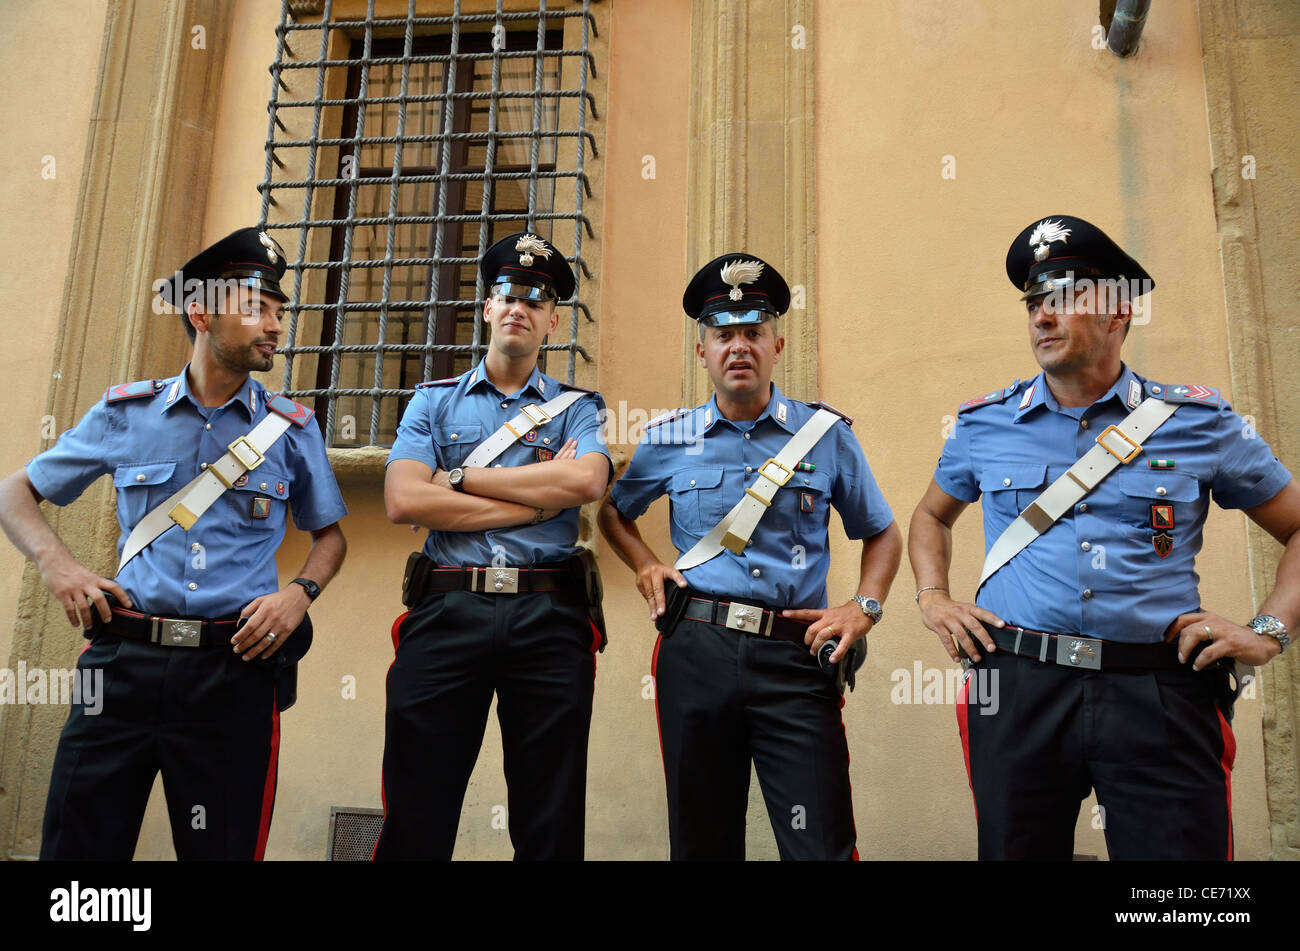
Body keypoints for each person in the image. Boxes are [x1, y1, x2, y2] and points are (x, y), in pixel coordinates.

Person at [908, 214, 1300, 860]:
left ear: (1119, 312)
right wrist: (932, 597)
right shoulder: (983, 423)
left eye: (1063, 296)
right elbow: (929, 516)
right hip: (1018, 685)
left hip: (1158, 687)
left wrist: (1268, 632)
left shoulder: (1197, 422)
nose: (1041, 316)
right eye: (1034, 301)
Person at [0, 226, 349, 860]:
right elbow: (13, 494)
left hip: (232, 672)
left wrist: (298, 595)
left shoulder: (291, 430)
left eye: (278, 311)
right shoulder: (124, 414)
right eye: (255, 309)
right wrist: (60, 568)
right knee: (78, 865)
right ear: (201, 312)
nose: (274, 326)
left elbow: (328, 537)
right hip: (121, 666)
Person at [597, 253, 901, 860]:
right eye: (723, 334)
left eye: (753, 332)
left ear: (776, 344)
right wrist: (645, 564)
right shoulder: (668, 439)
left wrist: (863, 607)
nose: (739, 346)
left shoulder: (826, 436)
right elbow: (612, 511)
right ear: (704, 350)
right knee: (702, 840)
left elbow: (883, 532)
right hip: (697, 651)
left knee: (820, 842)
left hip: (794, 655)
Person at [374, 232, 612, 861]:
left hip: (549, 615)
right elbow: (404, 501)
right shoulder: (432, 402)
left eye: (535, 302)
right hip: (448, 609)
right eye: (507, 295)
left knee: (549, 814)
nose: (519, 309)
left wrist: (455, 478)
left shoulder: (576, 410)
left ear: (551, 321)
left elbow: (586, 480)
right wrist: (538, 499)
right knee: (418, 802)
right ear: (486, 307)